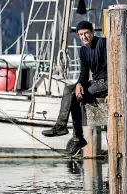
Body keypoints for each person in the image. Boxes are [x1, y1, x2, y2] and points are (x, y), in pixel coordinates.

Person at [42, 20, 108, 155]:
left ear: (92, 32)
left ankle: (77, 137)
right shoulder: (83, 50)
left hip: (108, 82)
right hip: (95, 82)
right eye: (80, 35)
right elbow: (84, 73)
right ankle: (62, 126)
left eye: (86, 33)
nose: (83, 37)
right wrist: (79, 84)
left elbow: (115, 67)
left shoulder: (103, 43)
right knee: (69, 90)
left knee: (75, 97)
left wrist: (112, 92)